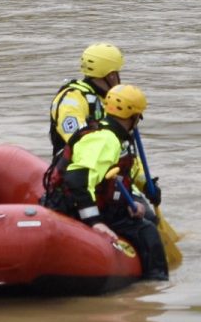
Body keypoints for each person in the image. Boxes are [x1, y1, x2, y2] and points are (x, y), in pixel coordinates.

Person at [41, 84, 168, 282]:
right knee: (147, 232)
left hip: (83, 201)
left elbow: (111, 178)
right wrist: (95, 222)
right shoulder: (106, 140)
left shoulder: (105, 132)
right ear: (133, 117)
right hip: (71, 207)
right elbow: (76, 180)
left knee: (143, 219)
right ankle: (155, 284)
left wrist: (129, 204)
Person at [48, 42, 124, 158]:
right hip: (76, 169)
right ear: (111, 75)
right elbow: (78, 140)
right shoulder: (71, 99)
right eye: (117, 73)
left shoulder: (108, 99)